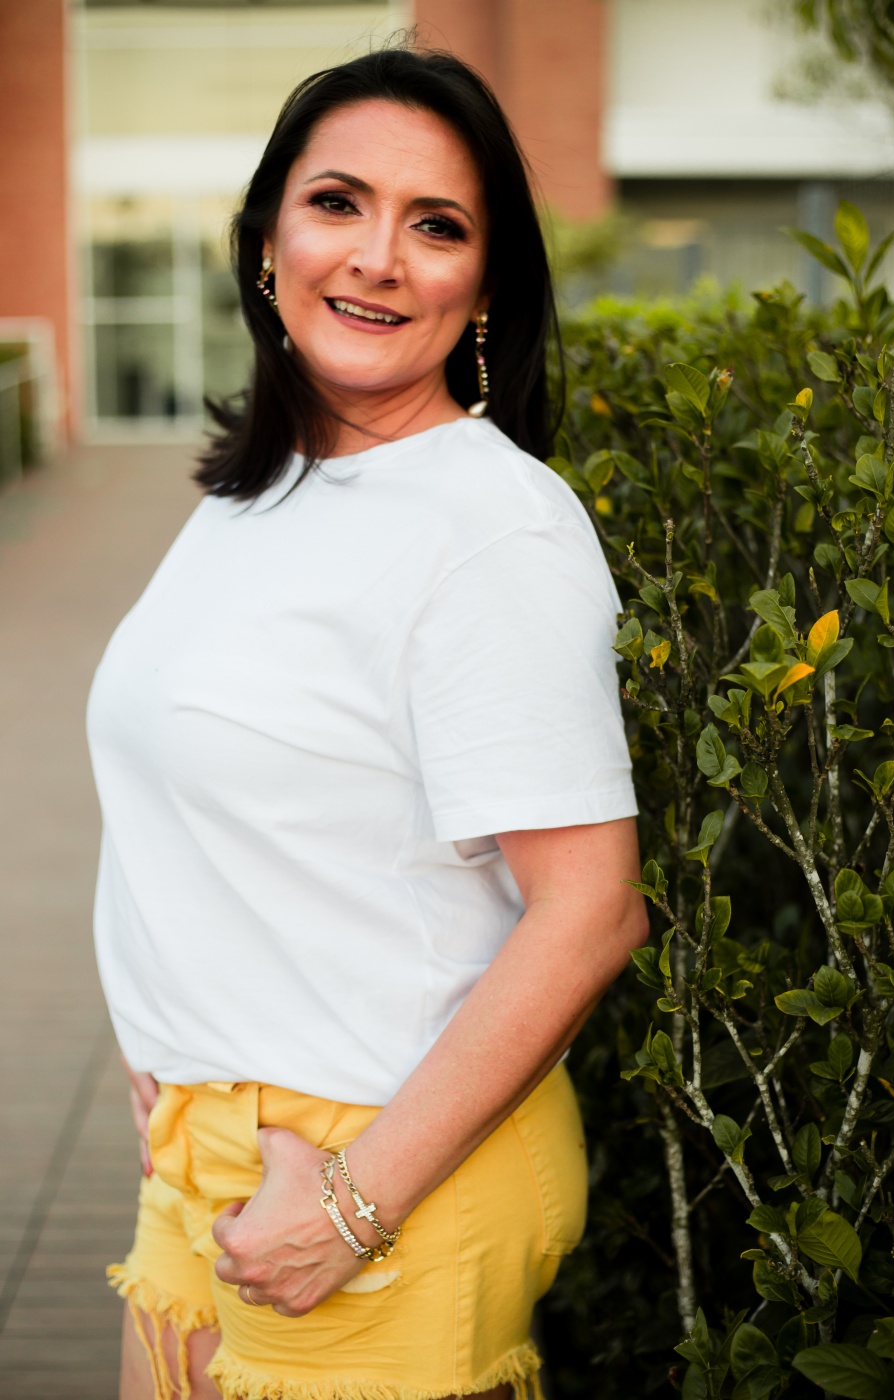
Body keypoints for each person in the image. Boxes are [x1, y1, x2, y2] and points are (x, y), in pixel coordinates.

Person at [87, 44, 648, 1400]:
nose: (377, 258)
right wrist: (160, 1033)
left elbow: (591, 908)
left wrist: (352, 1204)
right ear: (266, 240)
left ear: (485, 286)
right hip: (209, 1151)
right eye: (337, 202)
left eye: (436, 225)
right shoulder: (260, 493)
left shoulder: (490, 527)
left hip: (383, 1176)